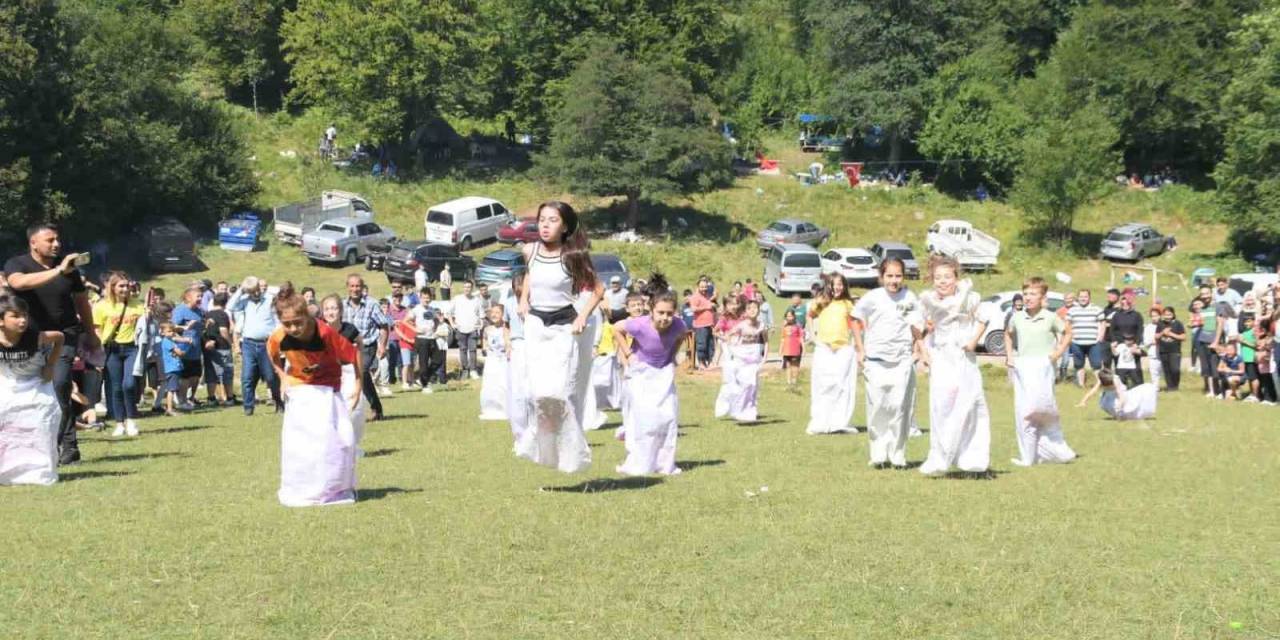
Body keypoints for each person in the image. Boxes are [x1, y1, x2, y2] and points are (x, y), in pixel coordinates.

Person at [514, 201, 603, 474]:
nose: (544, 225)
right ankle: (542, 449)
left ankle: (572, 454)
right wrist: (524, 300)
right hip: (536, 325)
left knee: (561, 393)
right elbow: (531, 274)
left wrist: (582, 316)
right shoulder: (529, 251)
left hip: (564, 327)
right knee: (537, 393)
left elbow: (598, 289)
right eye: (542, 219)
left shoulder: (573, 256)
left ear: (564, 226)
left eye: (552, 220)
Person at [4, 223, 99, 465]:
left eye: (58, 239)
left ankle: (69, 447)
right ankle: (35, 445)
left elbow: (82, 302)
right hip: (28, 339)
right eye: (50, 240)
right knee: (31, 395)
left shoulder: (71, 271)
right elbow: (18, 283)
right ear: (33, 243)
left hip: (64, 335)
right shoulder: (18, 264)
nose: (56, 244)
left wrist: (90, 332)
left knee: (59, 385)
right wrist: (58, 271)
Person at [267, 284, 361, 507]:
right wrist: (283, 376)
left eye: (298, 322)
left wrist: (358, 385)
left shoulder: (325, 333)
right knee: (304, 444)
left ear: (308, 315)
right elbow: (272, 355)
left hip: (328, 389)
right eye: (287, 324)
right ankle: (303, 489)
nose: (294, 328)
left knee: (339, 441)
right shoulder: (279, 336)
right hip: (300, 390)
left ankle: (335, 488)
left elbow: (354, 354)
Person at [917, 256, 990, 476]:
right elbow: (917, 326)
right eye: (938, 277)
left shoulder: (970, 297)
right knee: (942, 406)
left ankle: (973, 460)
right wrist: (923, 351)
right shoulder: (928, 300)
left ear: (956, 277)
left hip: (964, 356)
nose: (942, 281)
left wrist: (973, 341)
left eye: (947, 277)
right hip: (942, 356)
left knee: (972, 404)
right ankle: (940, 458)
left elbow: (984, 318)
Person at [613, 274, 689, 476]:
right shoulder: (640, 324)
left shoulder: (679, 325)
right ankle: (640, 460)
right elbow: (616, 329)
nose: (665, 318)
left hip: (663, 374)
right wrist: (628, 354)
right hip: (641, 374)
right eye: (660, 313)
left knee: (668, 417)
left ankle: (664, 462)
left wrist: (672, 355)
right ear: (651, 310)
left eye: (669, 313)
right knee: (645, 420)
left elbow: (682, 336)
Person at [853, 258, 923, 469]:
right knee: (878, 409)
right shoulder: (872, 297)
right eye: (889, 276)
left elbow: (916, 326)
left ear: (904, 276)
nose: (894, 281)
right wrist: (860, 349)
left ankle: (898, 455)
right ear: (881, 277)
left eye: (898, 276)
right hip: (875, 361)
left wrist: (920, 348)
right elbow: (855, 319)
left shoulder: (910, 297)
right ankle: (878, 455)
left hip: (901, 360)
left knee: (900, 408)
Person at [1004, 277, 1076, 467]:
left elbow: (1068, 333)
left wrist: (1057, 354)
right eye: (1026, 294)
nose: (1028, 298)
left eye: (1033, 294)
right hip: (1023, 366)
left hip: (1043, 367)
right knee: (1023, 411)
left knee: (1043, 408)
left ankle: (1057, 448)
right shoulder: (1017, 317)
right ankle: (1028, 456)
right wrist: (1009, 356)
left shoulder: (1050, 316)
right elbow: (1008, 334)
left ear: (1043, 297)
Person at [0, 294, 65, 485]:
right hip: (10, 381)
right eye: (16, 316)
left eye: (25, 316)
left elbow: (60, 338)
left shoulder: (36, 336)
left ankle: (41, 471)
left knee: (43, 419)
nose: (23, 320)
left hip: (37, 381)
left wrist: (51, 365)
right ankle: (7, 471)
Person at [92, 271, 146, 437]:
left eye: (127, 285)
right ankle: (119, 423)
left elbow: (144, 328)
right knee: (115, 388)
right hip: (111, 349)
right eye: (121, 286)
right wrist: (99, 353)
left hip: (132, 348)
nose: (125, 289)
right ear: (112, 287)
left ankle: (131, 420)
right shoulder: (101, 306)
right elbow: (97, 330)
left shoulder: (137, 304)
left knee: (128, 385)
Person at [806, 273, 858, 434]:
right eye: (835, 284)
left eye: (841, 284)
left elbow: (855, 321)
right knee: (824, 383)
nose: (838, 287)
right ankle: (820, 422)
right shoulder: (822, 302)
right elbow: (810, 315)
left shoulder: (847, 303)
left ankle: (839, 422)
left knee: (841, 384)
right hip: (824, 347)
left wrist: (857, 343)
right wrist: (813, 335)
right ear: (829, 285)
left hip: (842, 348)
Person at [319, 294, 371, 447]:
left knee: (354, 409)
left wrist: (358, 364)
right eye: (327, 309)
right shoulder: (319, 331)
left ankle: (352, 445)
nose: (330, 312)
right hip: (327, 374)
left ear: (340, 311)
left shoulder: (350, 330)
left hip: (348, 372)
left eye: (334, 308)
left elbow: (360, 344)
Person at [227, 276, 283, 416]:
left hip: (267, 343)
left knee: (270, 377)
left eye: (257, 290)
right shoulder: (245, 301)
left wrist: (277, 339)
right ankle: (248, 407)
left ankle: (279, 403)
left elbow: (281, 294)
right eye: (252, 291)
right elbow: (230, 306)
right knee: (247, 377)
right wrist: (242, 289)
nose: (256, 293)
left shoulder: (270, 300)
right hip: (248, 344)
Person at [342, 274, 389, 420]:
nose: (355, 289)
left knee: (361, 370)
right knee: (354, 376)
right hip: (347, 348)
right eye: (352, 286)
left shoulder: (372, 304)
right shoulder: (342, 305)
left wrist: (382, 345)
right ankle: (369, 407)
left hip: (367, 346)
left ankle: (372, 407)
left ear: (362, 287)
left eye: (358, 286)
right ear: (348, 287)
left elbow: (384, 325)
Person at [724, 297, 768, 423]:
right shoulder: (742, 325)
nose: (753, 311)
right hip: (742, 358)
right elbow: (728, 335)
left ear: (759, 310)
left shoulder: (762, 326)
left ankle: (750, 411)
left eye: (755, 308)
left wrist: (764, 357)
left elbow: (766, 342)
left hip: (754, 359)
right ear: (746, 311)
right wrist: (733, 349)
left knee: (752, 385)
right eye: (750, 308)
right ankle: (737, 409)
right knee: (742, 384)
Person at [1078, 369, 1157, 420]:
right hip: (1108, 396)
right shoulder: (1100, 381)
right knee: (1107, 405)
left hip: (1120, 395)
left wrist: (1120, 405)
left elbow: (1121, 395)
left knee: (1126, 407)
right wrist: (1083, 401)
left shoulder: (1115, 379)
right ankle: (1118, 415)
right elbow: (1093, 391)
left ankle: (1124, 415)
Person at [505, 273, 529, 443]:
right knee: (517, 390)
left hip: (533, 344)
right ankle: (519, 434)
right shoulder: (508, 303)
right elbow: (505, 325)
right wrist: (507, 343)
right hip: (517, 344)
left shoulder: (534, 303)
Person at [712, 295, 744, 420]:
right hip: (729, 350)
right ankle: (722, 407)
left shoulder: (742, 318)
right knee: (729, 380)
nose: (734, 307)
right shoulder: (724, 319)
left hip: (741, 350)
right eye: (730, 304)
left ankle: (738, 408)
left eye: (736, 303)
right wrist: (724, 337)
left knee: (741, 380)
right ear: (726, 305)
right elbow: (715, 331)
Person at [172, 287, 205, 407]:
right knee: (185, 376)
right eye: (198, 296)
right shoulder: (180, 310)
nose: (200, 299)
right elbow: (172, 327)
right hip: (183, 348)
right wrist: (186, 328)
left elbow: (202, 326)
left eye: (201, 296)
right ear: (188, 297)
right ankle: (182, 400)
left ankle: (191, 398)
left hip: (196, 349)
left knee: (196, 376)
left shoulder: (199, 311)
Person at [202, 292, 235, 407]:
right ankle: (229, 397)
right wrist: (231, 343)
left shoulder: (207, 314)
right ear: (226, 302)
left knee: (211, 373)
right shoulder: (222, 314)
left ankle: (211, 398)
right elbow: (223, 331)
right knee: (226, 372)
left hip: (208, 347)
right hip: (222, 346)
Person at [1066, 289, 1105, 387]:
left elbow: (1102, 323)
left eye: (1085, 297)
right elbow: (1068, 324)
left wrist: (1100, 337)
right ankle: (1081, 385)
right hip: (1077, 342)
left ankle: (1099, 384)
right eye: (1081, 297)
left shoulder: (1097, 309)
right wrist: (1070, 338)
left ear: (1089, 298)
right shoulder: (1072, 310)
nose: (1083, 299)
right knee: (1079, 365)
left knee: (1097, 365)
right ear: (1078, 298)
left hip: (1093, 343)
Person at [478, 305, 509, 421]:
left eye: (498, 312)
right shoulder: (487, 329)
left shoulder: (506, 328)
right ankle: (489, 408)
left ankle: (504, 409)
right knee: (490, 385)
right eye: (492, 312)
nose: (494, 315)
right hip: (491, 361)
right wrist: (485, 348)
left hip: (503, 360)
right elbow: (485, 341)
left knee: (503, 384)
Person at [1106, 294, 1145, 383]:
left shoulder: (1137, 315)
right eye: (1123, 302)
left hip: (1132, 344)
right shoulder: (1116, 315)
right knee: (1120, 368)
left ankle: (1138, 386)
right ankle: (1121, 387)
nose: (1125, 304)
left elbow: (1140, 330)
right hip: (1120, 345)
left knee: (1136, 368)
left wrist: (1137, 344)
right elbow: (1112, 330)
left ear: (1131, 303)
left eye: (1127, 302)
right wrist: (1114, 341)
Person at [451, 281, 484, 380]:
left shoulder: (477, 300)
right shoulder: (457, 299)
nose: (467, 289)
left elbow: (481, 314)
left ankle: (473, 370)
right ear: (463, 288)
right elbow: (448, 312)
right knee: (463, 350)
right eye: (465, 287)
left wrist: (481, 324)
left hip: (473, 329)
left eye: (469, 287)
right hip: (460, 329)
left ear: (472, 288)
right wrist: (452, 324)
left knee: (473, 350)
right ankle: (465, 370)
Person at [159, 322, 192, 414]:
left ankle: (171, 407)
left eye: (173, 331)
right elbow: (179, 353)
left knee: (173, 388)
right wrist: (188, 347)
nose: (172, 333)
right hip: (172, 368)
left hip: (175, 367)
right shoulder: (167, 342)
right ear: (162, 333)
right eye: (169, 331)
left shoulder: (171, 341)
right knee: (171, 389)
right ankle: (169, 409)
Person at [410, 288, 439, 393]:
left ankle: (423, 378)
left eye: (428, 297)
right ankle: (425, 385)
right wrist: (415, 329)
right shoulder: (416, 309)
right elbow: (405, 321)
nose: (426, 300)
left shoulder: (431, 309)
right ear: (420, 297)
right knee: (424, 364)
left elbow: (436, 320)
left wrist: (435, 328)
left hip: (431, 338)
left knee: (438, 359)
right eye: (424, 297)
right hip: (422, 339)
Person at [688, 278, 716, 369]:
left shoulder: (707, 296)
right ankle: (701, 362)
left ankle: (710, 361)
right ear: (698, 287)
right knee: (702, 344)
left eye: (705, 287)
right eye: (702, 287)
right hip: (700, 325)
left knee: (710, 345)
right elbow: (693, 309)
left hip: (709, 324)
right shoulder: (695, 297)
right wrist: (707, 306)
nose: (704, 288)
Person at [1155, 307, 1185, 391]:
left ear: (1173, 315)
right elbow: (1156, 336)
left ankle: (1175, 385)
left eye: (1169, 314)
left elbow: (1183, 337)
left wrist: (1171, 334)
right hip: (1163, 350)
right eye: (1165, 315)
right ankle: (1170, 387)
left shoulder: (1178, 323)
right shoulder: (1160, 324)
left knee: (1175, 369)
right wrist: (1162, 332)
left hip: (1175, 351)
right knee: (1166, 370)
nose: (1167, 316)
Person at [1238, 315, 1260, 402]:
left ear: (1254, 322)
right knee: (1250, 377)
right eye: (1245, 322)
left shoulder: (1254, 331)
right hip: (1245, 358)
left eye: (1249, 321)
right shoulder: (1244, 332)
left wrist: (1244, 341)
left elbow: (1257, 345)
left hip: (1252, 357)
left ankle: (1256, 396)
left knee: (1254, 377)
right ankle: (1251, 394)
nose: (1247, 323)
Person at [780, 309, 803, 389]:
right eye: (788, 316)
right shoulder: (784, 327)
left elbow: (800, 337)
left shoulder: (797, 326)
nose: (789, 318)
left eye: (791, 316)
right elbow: (782, 338)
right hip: (787, 349)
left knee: (795, 366)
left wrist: (804, 348)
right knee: (788, 365)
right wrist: (780, 349)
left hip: (795, 348)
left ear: (794, 316)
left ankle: (794, 381)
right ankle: (789, 382)